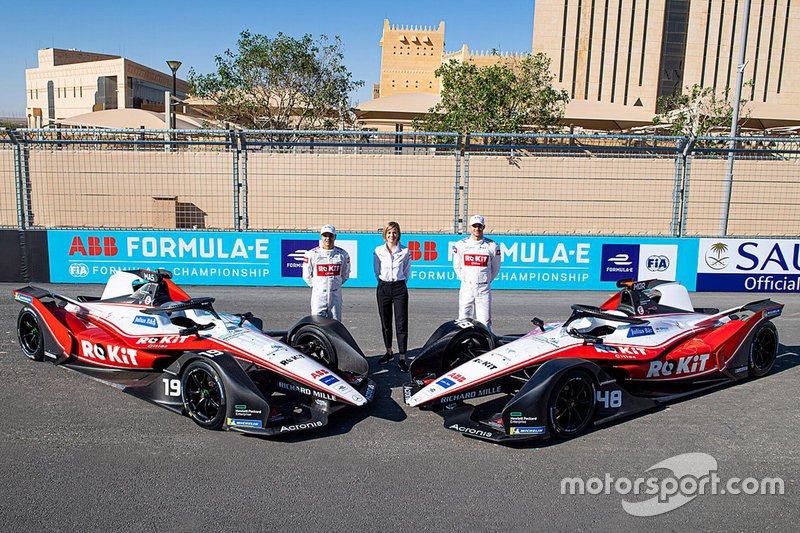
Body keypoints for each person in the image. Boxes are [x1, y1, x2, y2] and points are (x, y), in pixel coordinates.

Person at [373, 221, 411, 372]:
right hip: (383, 287)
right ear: (385, 235)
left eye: (394, 232)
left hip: (399, 288)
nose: (391, 235)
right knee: (385, 323)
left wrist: (398, 282)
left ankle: (402, 357)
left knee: (401, 324)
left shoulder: (405, 251)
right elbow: (377, 270)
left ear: (398, 234)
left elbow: (406, 271)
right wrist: (385, 282)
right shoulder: (378, 251)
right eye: (389, 232)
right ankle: (388, 352)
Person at [452, 214, 501, 328]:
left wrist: (486, 281)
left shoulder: (492, 245)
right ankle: (464, 343)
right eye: (474, 226)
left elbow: (496, 268)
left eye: (479, 226)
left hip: (483, 289)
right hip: (466, 287)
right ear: (470, 227)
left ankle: (485, 344)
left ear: (484, 227)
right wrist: (466, 280)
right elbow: (457, 266)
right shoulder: (461, 245)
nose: (477, 229)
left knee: (484, 321)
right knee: (464, 319)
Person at [302, 224, 351, 321]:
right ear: (321, 237)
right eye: (325, 235)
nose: (328, 238)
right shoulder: (312, 254)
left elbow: (345, 274)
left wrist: (335, 285)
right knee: (317, 324)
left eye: (330, 235)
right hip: (319, 296)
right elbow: (306, 275)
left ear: (335, 237)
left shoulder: (343, 254)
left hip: (335, 295)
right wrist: (318, 286)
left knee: (336, 324)